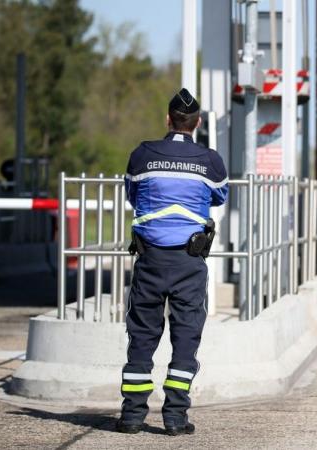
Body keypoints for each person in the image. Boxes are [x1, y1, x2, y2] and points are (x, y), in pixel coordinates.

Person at [116, 88, 228, 436]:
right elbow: (219, 196)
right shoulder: (209, 160)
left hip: (149, 260)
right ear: (197, 123)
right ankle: (175, 418)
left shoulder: (142, 154)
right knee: (186, 339)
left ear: (168, 119)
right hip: (188, 262)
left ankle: (132, 416)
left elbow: (132, 194)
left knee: (142, 338)